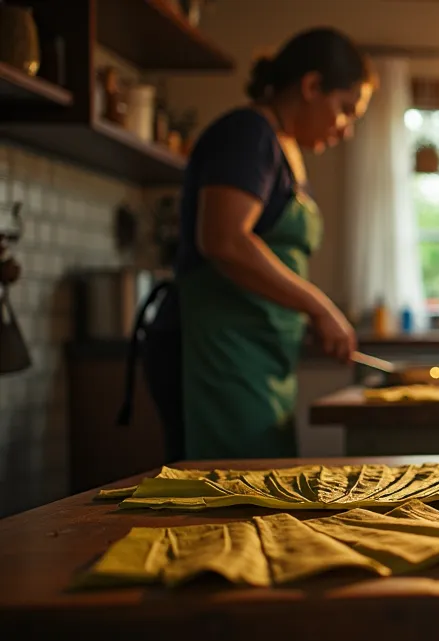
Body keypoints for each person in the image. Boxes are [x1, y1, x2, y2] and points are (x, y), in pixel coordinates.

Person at [126, 27, 374, 461]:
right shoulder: (247, 134)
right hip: (216, 351)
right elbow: (223, 239)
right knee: (223, 497)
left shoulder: (283, 148)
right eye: (345, 109)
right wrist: (318, 306)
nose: (346, 130)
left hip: (258, 358)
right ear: (312, 86)